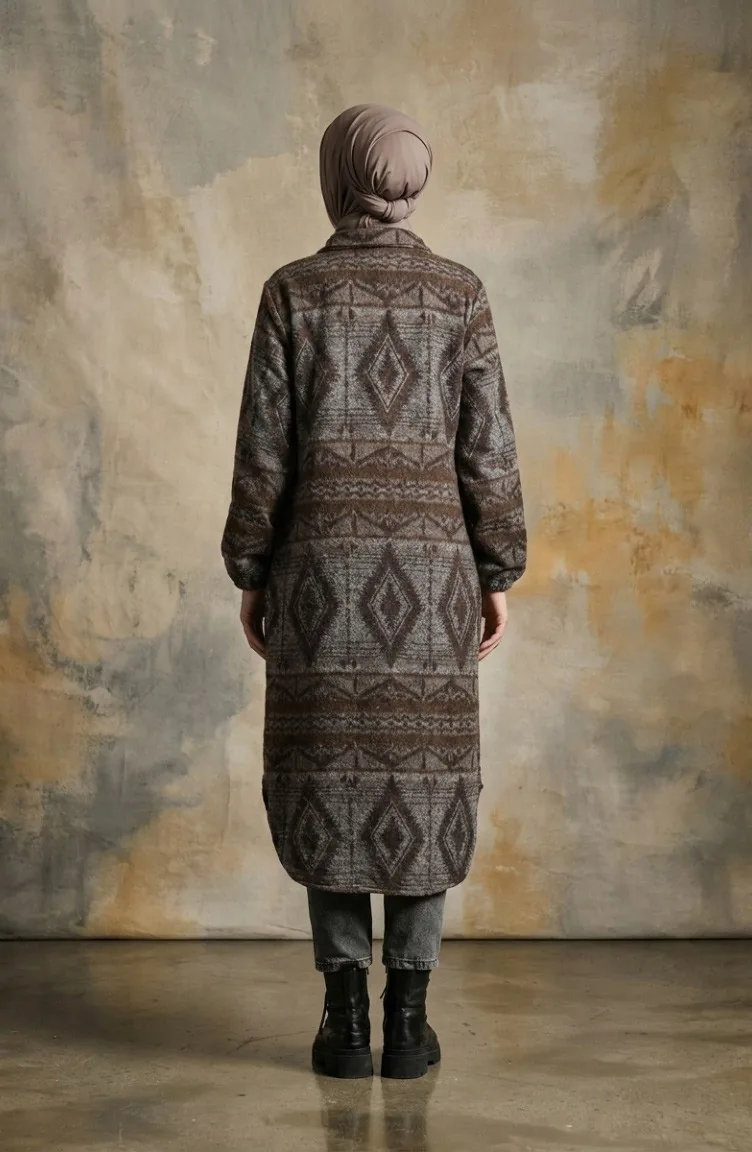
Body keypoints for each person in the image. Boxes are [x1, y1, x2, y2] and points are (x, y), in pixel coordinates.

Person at [220, 103, 527, 1079]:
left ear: (337, 176)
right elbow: (488, 453)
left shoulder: (292, 293)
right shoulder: (459, 294)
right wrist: (495, 570)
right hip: (430, 588)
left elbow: (262, 454)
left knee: (333, 785)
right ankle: (410, 1022)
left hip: (319, 585)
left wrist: (252, 567)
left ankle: (343, 1022)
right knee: (424, 788)